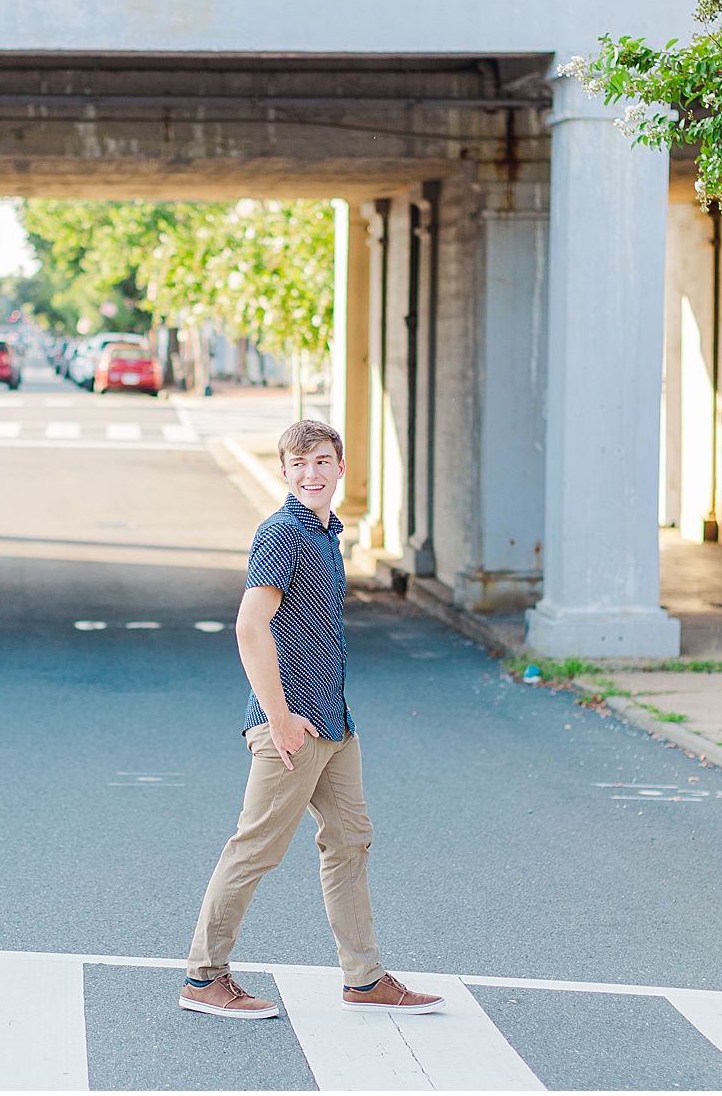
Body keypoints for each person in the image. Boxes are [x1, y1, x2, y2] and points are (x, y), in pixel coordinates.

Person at [180, 419, 444, 1019]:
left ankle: (365, 979)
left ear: (340, 467)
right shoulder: (283, 534)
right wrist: (279, 719)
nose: (310, 474)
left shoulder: (329, 534)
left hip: (333, 723)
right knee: (255, 850)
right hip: (290, 723)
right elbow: (250, 628)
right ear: (283, 471)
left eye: (321, 462)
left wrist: (332, 720)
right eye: (298, 464)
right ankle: (203, 978)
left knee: (350, 842)